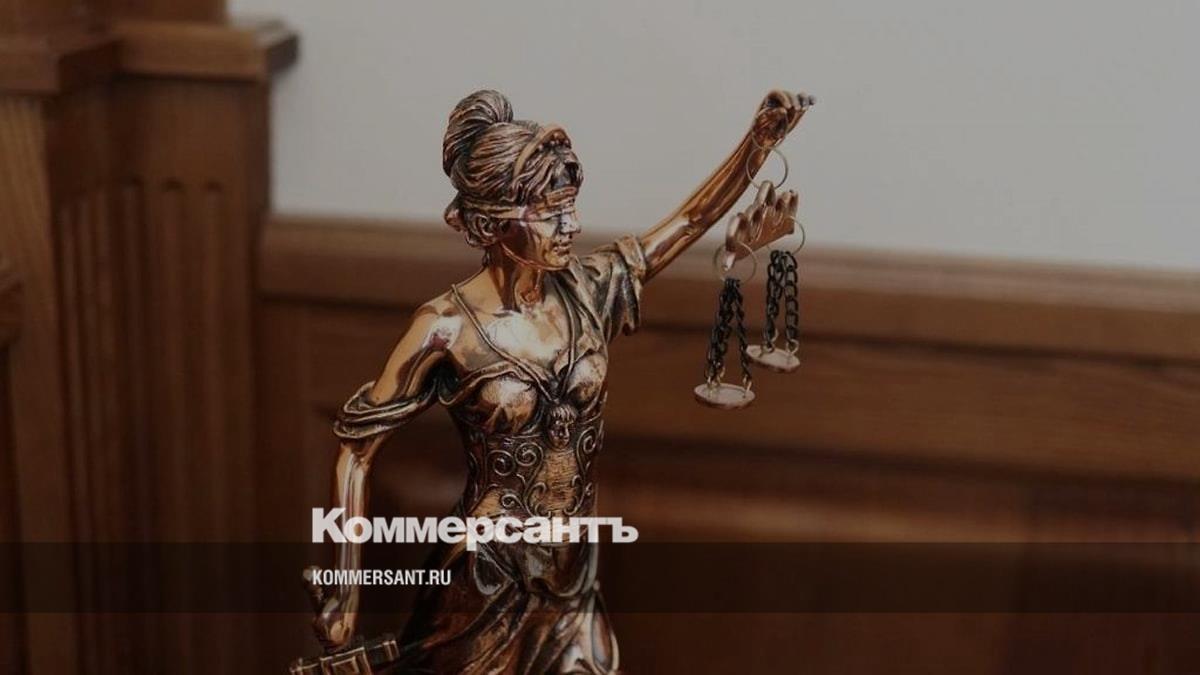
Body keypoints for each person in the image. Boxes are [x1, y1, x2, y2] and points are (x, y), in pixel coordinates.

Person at [308, 88, 809, 674]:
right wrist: (344, 592)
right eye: (550, 213)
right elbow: (356, 450)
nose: (572, 225)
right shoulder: (444, 329)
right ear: (491, 222)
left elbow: (690, 220)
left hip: (573, 572)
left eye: (570, 207)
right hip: (485, 581)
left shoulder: (588, 289)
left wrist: (756, 146)